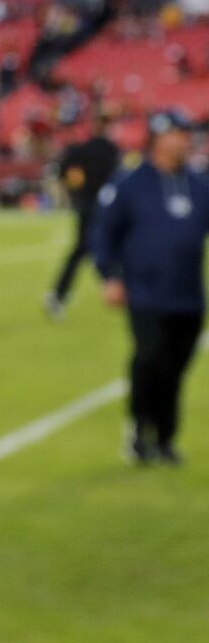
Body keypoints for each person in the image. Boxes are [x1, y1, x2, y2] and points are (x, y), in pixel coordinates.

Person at [91, 109, 206, 464]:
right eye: (177, 133)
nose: (184, 140)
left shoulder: (199, 184)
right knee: (150, 358)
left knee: (176, 367)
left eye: (187, 133)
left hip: (188, 294)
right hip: (144, 292)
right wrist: (109, 276)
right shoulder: (129, 184)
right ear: (157, 138)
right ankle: (140, 429)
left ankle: (167, 438)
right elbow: (103, 233)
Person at [44, 116, 120, 319]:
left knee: (82, 251)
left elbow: (64, 173)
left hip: (85, 207)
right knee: (105, 250)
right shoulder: (109, 149)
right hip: (104, 209)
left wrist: (76, 192)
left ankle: (58, 294)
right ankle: (116, 286)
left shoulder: (81, 149)